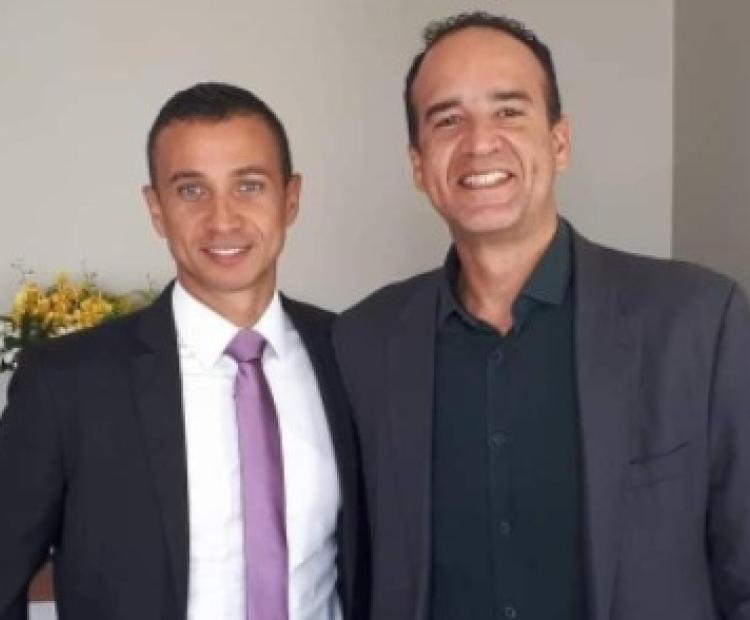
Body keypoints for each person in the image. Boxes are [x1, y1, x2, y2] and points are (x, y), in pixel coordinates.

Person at [333, 12, 750, 620]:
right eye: (447, 120)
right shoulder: (363, 341)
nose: (479, 142)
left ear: (559, 143)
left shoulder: (698, 322)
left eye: (508, 111)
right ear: (419, 164)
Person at [0, 82, 366, 620]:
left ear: (291, 199)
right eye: (192, 190)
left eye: (249, 185)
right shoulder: (65, 384)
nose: (223, 219)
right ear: (156, 209)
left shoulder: (354, 354)